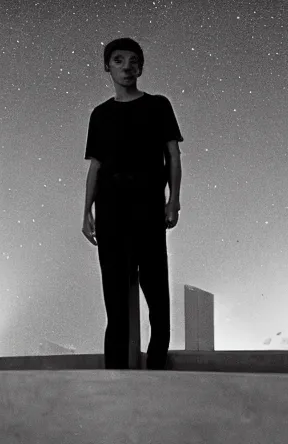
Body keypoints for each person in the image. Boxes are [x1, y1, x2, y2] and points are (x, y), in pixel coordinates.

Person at [83, 37, 184, 370]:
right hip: (110, 213)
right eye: (118, 60)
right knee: (115, 302)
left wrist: (174, 200)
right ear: (107, 67)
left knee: (157, 296)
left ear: (141, 66)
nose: (127, 67)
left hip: (148, 208)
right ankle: (115, 378)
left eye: (133, 61)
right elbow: (95, 167)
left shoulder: (158, 106)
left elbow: (172, 154)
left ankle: (155, 372)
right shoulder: (100, 115)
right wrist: (86, 212)